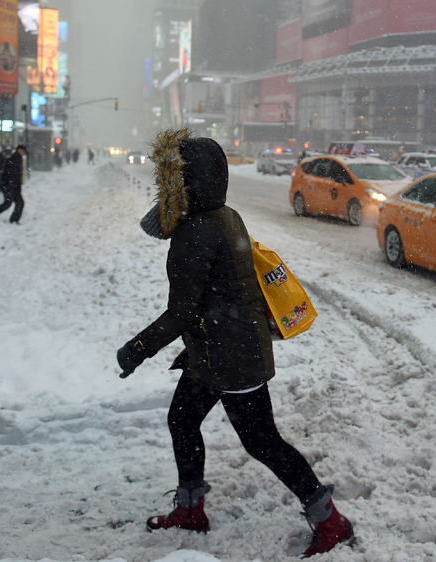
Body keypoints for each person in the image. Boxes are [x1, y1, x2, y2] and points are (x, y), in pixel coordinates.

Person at [115, 131, 354, 558]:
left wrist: (137, 348)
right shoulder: (222, 215)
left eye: (171, 179)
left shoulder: (196, 233)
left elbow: (181, 313)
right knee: (182, 420)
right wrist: (171, 212)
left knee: (262, 441)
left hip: (232, 356)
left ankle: (329, 520)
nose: (166, 186)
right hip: (214, 350)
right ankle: (191, 510)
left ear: (185, 183)